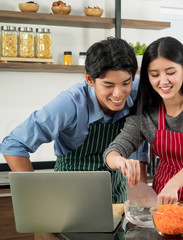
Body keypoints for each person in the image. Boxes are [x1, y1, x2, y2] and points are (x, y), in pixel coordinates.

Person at [0, 38, 149, 203]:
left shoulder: (137, 91)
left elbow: (139, 136)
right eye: (108, 85)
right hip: (70, 198)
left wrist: (140, 195)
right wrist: (37, 198)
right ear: (90, 79)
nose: (118, 94)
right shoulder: (70, 103)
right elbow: (13, 144)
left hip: (116, 197)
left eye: (125, 83)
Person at [104, 36, 183, 205]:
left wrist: (174, 184)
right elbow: (112, 151)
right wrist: (119, 161)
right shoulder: (145, 115)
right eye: (154, 74)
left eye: (170, 73)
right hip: (165, 201)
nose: (163, 81)